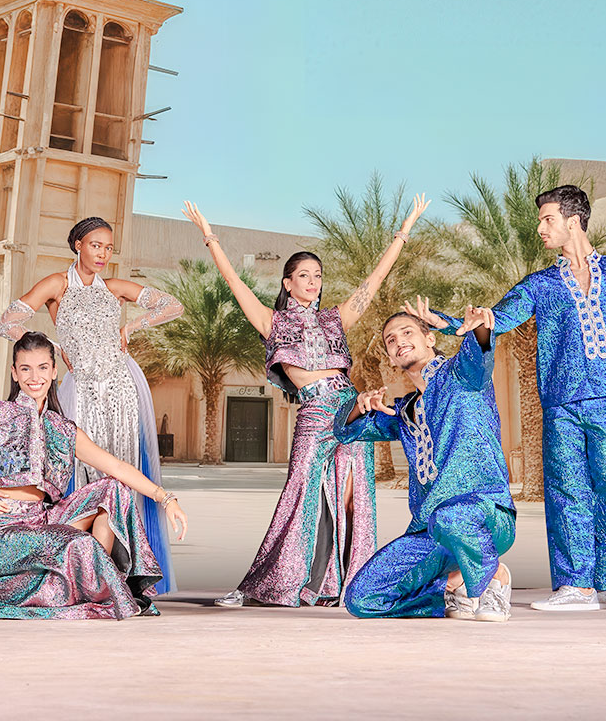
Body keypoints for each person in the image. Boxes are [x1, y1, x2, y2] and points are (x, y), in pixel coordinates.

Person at [421, 185, 606, 612]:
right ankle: (574, 586)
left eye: (548, 219)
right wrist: (450, 324)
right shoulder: (540, 285)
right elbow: (496, 318)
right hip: (561, 402)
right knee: (566, 489)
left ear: (573, 220)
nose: (540, 228)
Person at [183, 195, 429, 608]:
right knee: (301, 492)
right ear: (287, 282)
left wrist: (403, 232)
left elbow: (373, 282)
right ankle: (269, 583)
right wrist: (210, 237)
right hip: (314, 412)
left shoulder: (336, 317)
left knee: (355, 499)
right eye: (303, 275)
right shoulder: (271, 321)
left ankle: (352, 585)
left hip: (351, 408)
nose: (313, 282)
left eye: (317, 275)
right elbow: (234, 283)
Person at [0, 332, 188, 619]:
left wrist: (166, 498)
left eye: (41, 368)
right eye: (25, 368)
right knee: (81, 543)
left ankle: (94, 586)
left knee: (113, 489)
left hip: (41, 521)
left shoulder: (63, 428)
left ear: (54, 371)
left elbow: (117, 467)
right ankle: (103, 589)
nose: (33, 377)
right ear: (14, 373)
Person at [0, 216, 183, 592]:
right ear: (78, 244)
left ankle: (127, 573)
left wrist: (131, 327)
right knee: (84, 476)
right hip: (81, 390)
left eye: (109, 248)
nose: (103, 254)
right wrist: (52, 348)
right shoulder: (56, 285)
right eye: (96, 245)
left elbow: (172, 305)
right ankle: (83, 572)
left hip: (121, 389)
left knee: (122, 475)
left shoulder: (114, 288)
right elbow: (7, 321)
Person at [337, 302, 515, 621]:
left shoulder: (461, 375)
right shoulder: (403, 412)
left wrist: (478, 326)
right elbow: (347, 431)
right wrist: (360, 406)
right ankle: (453, 585)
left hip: (486, 515)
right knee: (361, 599)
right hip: (432, 531)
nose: (399, 340)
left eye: (407, 332)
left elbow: (480, 350)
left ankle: (494, 580)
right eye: (390, 339)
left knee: (450, 516)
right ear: (391, 358)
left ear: (430, 339)